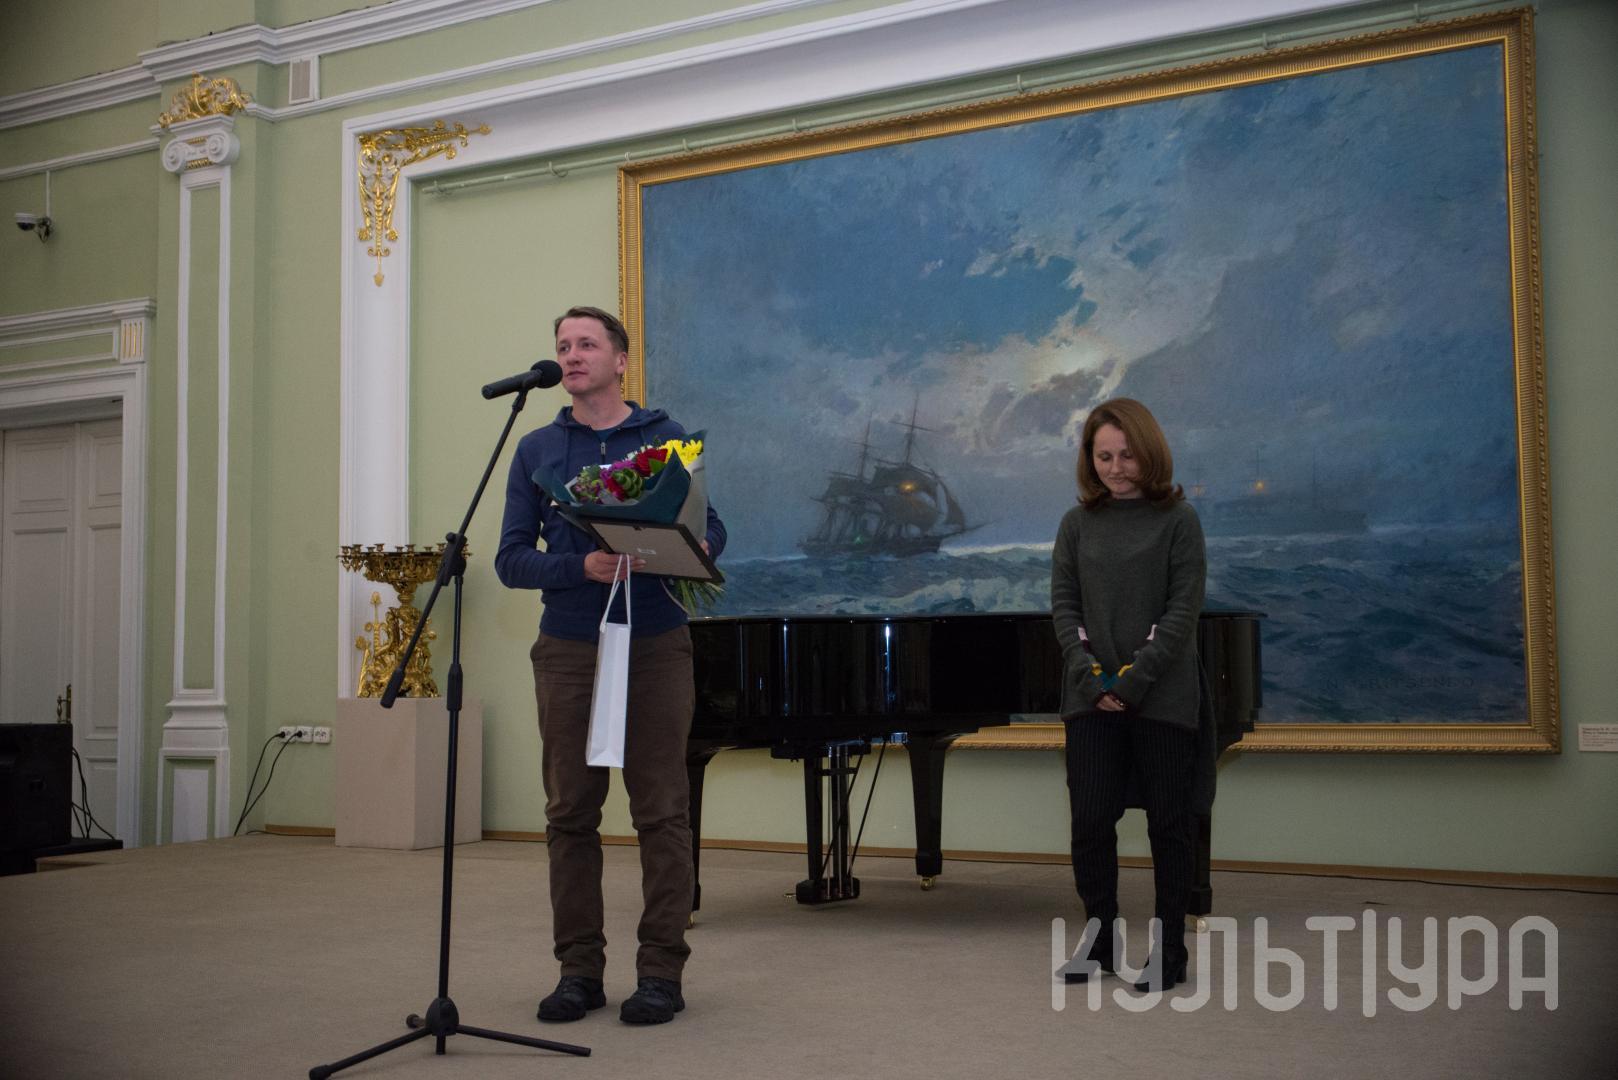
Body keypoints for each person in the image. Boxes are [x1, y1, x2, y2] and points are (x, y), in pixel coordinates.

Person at [494, 305, 726, 1025]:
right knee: (570, 813)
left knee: (662, 810)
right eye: (563, 345)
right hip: (569, 647)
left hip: (655, 643)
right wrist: (580, 567)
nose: (571, 355)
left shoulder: (664, 437)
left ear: (620, 360)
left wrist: (696, 546)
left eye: (586, 344)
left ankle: (660, 973)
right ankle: (579, 972)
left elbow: (712, 528)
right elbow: (510, 560)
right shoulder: (536, 448)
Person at [1050, 398, 1205, 992]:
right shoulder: (1075, 524)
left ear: (1150, 453)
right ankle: (1100, 941)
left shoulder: (1179, 520)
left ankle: (1170, 952)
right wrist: (1092, 679)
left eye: (1127, 455)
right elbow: (1065, 607)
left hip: (1162, 697)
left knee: (1169, 825)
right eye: (1103, 456)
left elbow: (1181, 612)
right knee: (1090, 820)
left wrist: (1134, 682)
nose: (1115, 468)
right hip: (1089, 698)